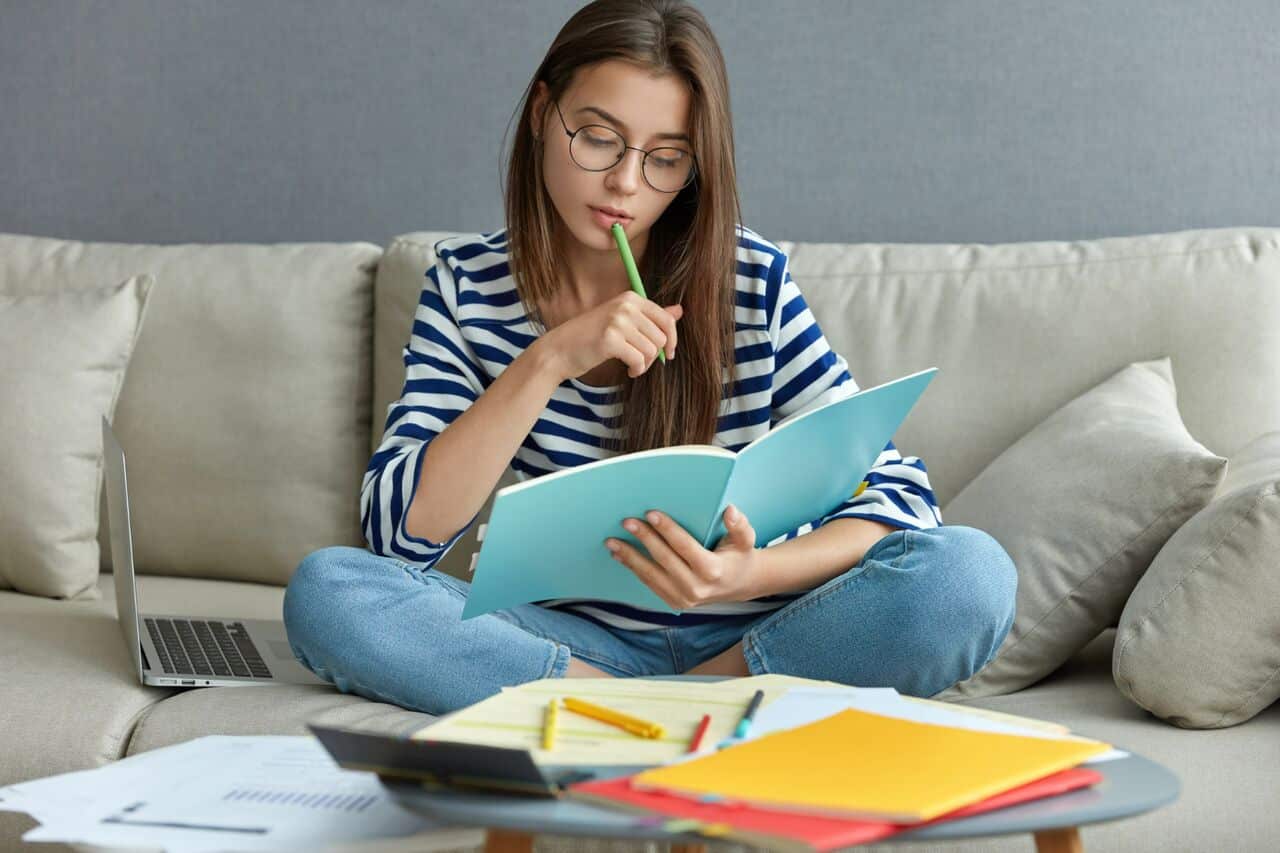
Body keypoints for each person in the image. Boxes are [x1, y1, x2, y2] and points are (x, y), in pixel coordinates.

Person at [283, 0, 1017, 717]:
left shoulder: (748, 279)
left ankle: (658, 709)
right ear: (543, 113)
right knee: (330, 591)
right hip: (567, 644)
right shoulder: (467, 284)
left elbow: (899, 499)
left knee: (969, 576)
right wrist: (547, 360)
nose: (626, 184)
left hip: (759, 634)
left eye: (665, 158)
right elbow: (395, 536)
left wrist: (744, 574)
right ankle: (647, 706)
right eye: (598, 139)